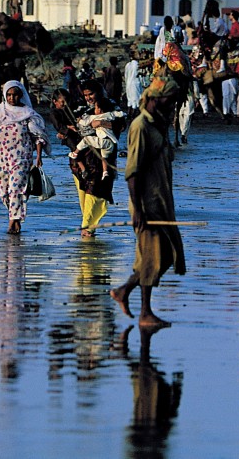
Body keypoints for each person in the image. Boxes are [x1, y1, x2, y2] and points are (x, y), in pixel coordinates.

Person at [110, 43, 191, 328]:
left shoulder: (158, 127)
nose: (171, 107)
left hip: (161, 200)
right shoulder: (141, 127)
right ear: (155, 99)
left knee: (164, 254)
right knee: (151, 257)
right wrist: (138, 210)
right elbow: (132, 171)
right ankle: (145, 312)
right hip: (146, 202)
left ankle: (123, 292)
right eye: (168, 102)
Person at [0, 80, 48, 235]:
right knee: (4, 192)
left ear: (21, 95)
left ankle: (13, 221)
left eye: (15, 95)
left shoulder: (29, 114)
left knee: (17, 189)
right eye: (9, 95)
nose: (12, 98)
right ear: (5, 95)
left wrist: (38, 156)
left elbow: (38, 137)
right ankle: (15, 215)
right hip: (1, 158)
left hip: (22, 157)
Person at [70, 81, 127, 236]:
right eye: (86, 95)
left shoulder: (112, 107)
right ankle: (88, 225)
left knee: (96, 189)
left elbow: (121, 125)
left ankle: (87, 227)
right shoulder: (81, 108)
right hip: (82, 156)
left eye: (91, 94)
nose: (89, 98)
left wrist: (101, 122)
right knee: (84, 191)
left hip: (103, 154)